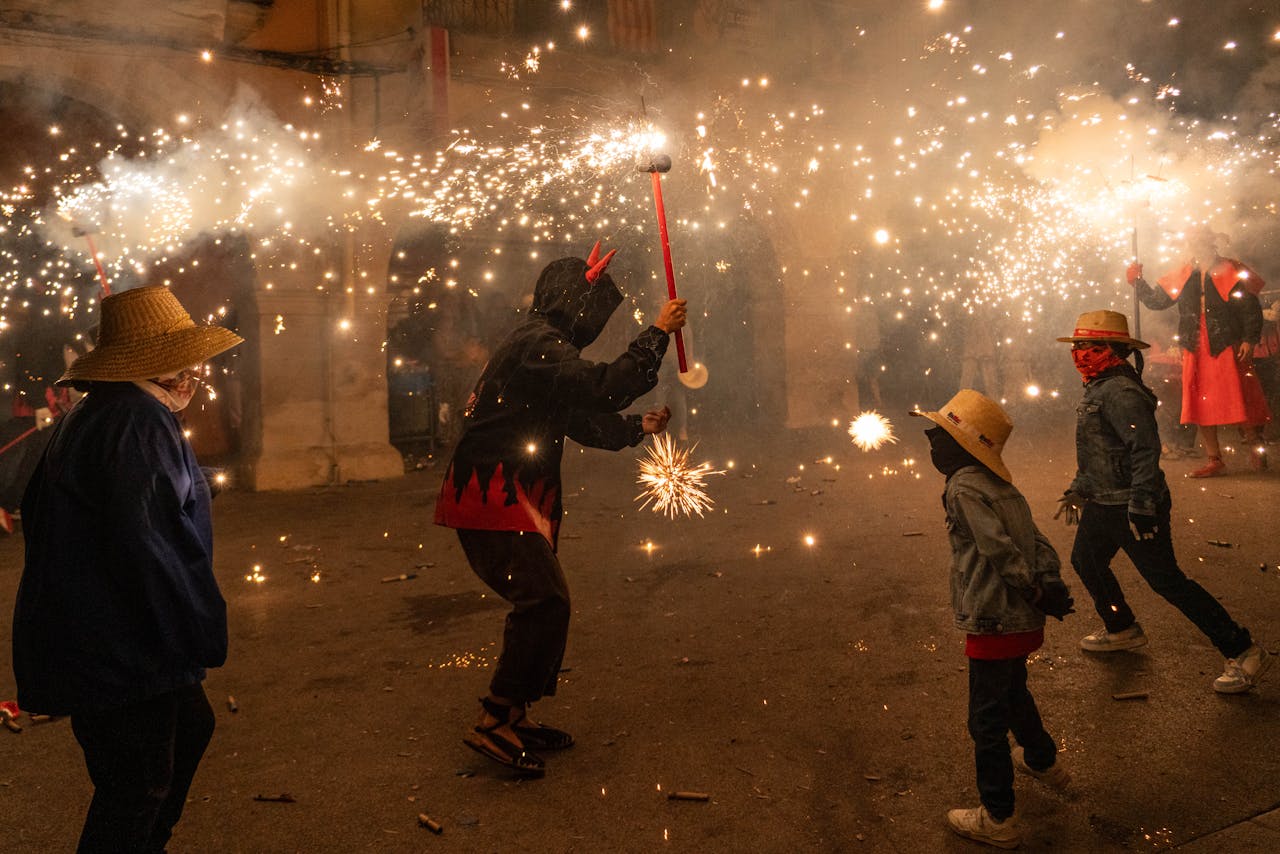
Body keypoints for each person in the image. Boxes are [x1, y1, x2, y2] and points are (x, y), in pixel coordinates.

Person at [435, 243, 687, 778]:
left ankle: (516, 713)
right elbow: (602, 386)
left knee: (543, 600)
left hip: (514, 495)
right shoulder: (537, 344)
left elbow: (576, 413)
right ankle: (493, 719)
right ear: (575, 304)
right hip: (493, 495)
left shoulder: (543, 347)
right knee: (544, 601)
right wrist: (658, 332)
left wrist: (635, 428)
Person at [11, 285, 243, 852]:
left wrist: (195, 484)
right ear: (150, 364)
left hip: (106, 630)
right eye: (182, 360)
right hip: (120, 638)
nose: (193, 373)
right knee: (133, 787)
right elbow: (149, 545)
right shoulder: (137, 420)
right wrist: (199, 629)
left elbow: (122, 498)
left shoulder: (112, 412)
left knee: (190, 728)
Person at [1054, 310, 1269, 694]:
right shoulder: (1099, 387)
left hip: (1132, 505)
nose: (1082, 354)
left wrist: (1142, 504)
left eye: (1092, 347)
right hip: (1103, 503)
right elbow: (1097, 452)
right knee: (1085, 561)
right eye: (1078, 346)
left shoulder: (1120, 392)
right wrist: (1079, 487)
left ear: (1115, 351)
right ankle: (1121, 628)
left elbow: (1143, 451)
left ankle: (1244, 650)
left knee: (1167, 581)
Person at [913, 389, 1074, 849]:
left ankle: (998, 817)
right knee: (1013, 690)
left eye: (940, 436)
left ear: (962, 446)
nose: (930, 444)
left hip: (992, 616)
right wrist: (1047, 585)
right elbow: (1037, 541)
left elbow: (999, 551)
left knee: (986, 720)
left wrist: (1032, 587)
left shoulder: (962, 488)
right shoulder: (1002, 485)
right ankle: (1043, 759)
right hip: (1020, 619)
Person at [1128, 226, 1270, 475]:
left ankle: (1255, 444)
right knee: (1201, 401)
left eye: (1200, 241)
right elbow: (1157, 301)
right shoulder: (1183, 273)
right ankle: (1215, 459)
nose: (1195, 246)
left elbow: (1249, 307)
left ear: (1211, 243)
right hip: (1195, 345)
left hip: (1227, 341)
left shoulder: (1230, 269)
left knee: (1241, 395)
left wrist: (1249, 338)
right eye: (1192, 242)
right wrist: (1138, 282)